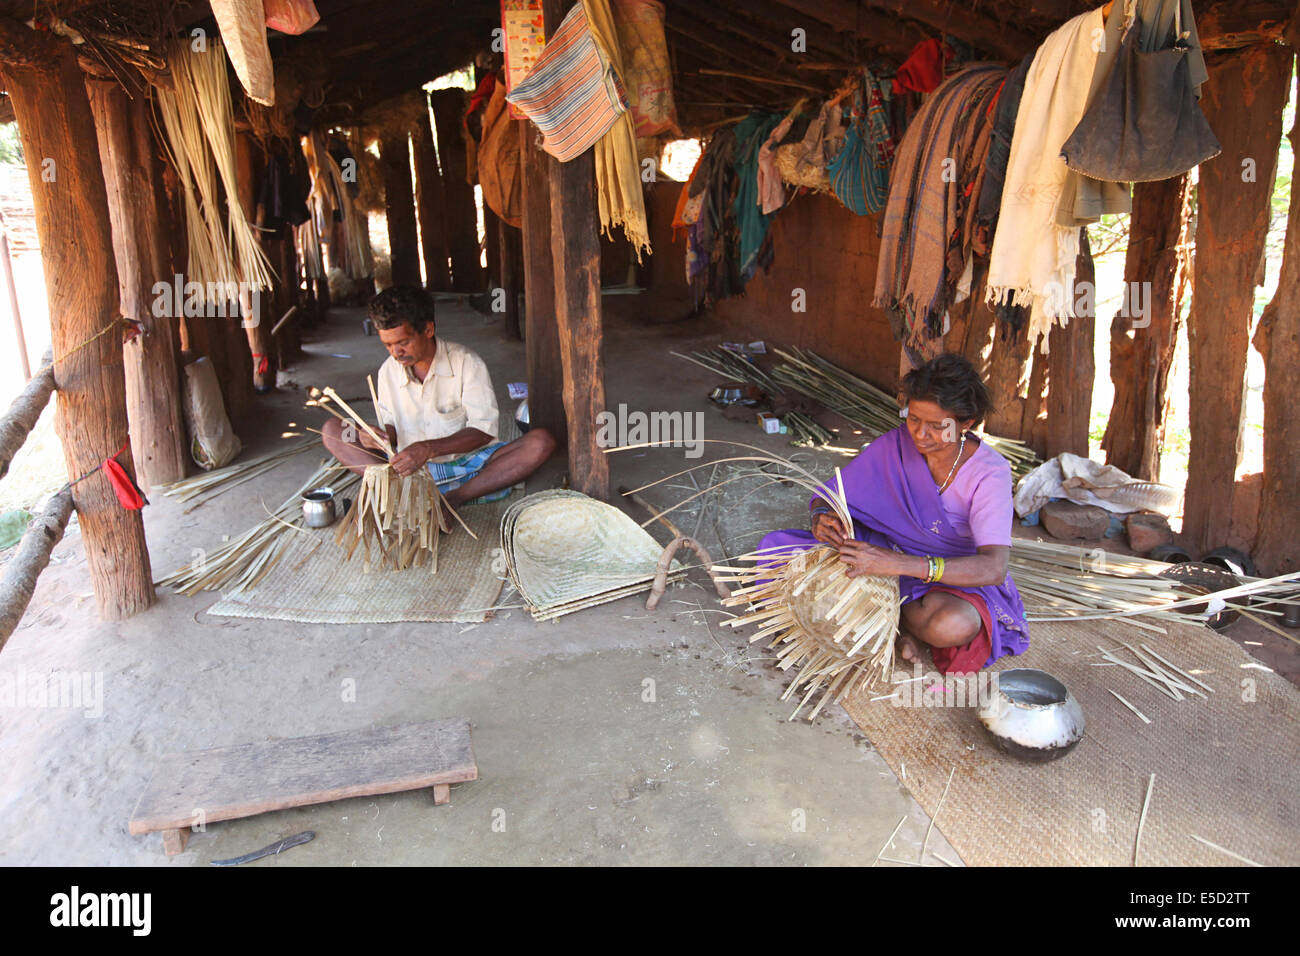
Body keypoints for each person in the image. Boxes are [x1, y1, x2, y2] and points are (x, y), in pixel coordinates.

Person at [758, 353, 1028, 675]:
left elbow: (993, 568)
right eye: (913, 419)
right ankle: (887, 616)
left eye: (937, 426)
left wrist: (894, 564)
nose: (920, 434)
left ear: (966, 424)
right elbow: (834, 494)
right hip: (881, 549)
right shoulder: (897, 444)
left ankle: (888, 619)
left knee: (951, 626)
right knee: (777, 554)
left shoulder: (990, 473)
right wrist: (822, 515)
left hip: (946, 574)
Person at [321, 286, 555, 514]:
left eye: (403, 343)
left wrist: (428, 449)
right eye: (388, 345)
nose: (396, 353)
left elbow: (483, 431)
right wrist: (377, 436)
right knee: (334, 430)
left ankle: (454, 498)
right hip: (405, 469)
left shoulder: (466, 363)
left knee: (540, 442)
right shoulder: (387, 371)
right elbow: (390, 426)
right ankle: (394, 488)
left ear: (428, 330)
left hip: (468, 465)